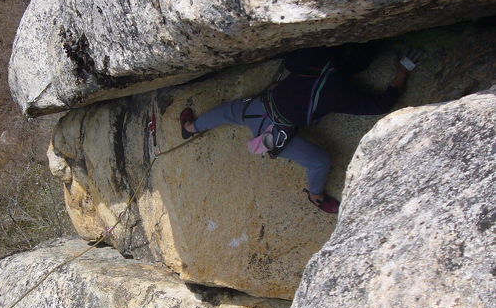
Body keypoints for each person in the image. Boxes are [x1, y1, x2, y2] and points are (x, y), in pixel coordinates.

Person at [180, 45, 420, 213]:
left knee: (228, 111)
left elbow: (291, 59)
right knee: (320, 161)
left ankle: (191, 127)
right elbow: (380, 103)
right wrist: (402, 72)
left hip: (258, 109)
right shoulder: (339, 93)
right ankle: (315, 196)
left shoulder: (315, 56)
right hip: (278, 134)